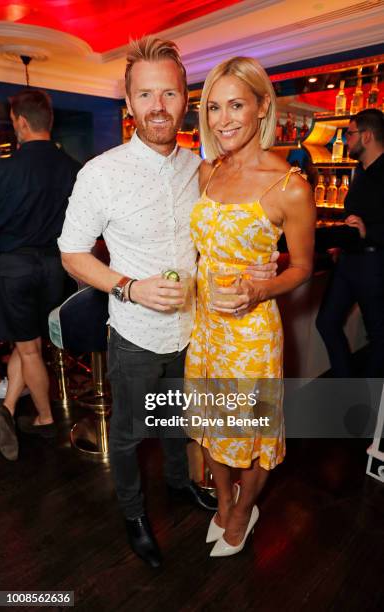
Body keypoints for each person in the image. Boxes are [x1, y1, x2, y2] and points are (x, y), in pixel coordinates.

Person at [58, 37, 277, 568]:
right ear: (128, 103)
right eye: (146, 95)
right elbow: (71, 253)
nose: (159, 106)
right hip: (135, 335)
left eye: (170, 94)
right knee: (131, 435)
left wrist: (261, 266)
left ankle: (181, 486)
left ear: (186, 99)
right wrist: (129, 286)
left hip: (200, 333)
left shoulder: (202, 169)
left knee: (184, 422)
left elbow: (232, 228)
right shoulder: (100, 173)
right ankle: (134, 514)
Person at [184, 56, 315, 557]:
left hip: (251, 333)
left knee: (253, 432)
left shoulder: (290, 186)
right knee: (210, 426)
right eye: (214, 107)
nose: (223, 119)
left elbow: (301, 267)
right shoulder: (208, 172)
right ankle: (222, 500)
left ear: (262, 107)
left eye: (236, 104)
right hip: (206, 327)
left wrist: (263, 286)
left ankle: (244, 508)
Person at [0, 89, 81, 462]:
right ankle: (9, 408)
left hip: (14, 267)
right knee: (29, 343)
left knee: (28, 346)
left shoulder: (5, 168)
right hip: (55, 268)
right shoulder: (74, 168)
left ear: (21, 122)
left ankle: (46, 416)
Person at [316, 109, 384, 377]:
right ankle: (347, 385)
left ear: (366, 136)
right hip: (348, 261)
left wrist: (369, 231)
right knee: (326, 322)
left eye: (350, 133)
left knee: (378, 336)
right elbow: (352, 213)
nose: (345, 139)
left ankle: (369, 397)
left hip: (374, 262)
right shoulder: (360, 170)